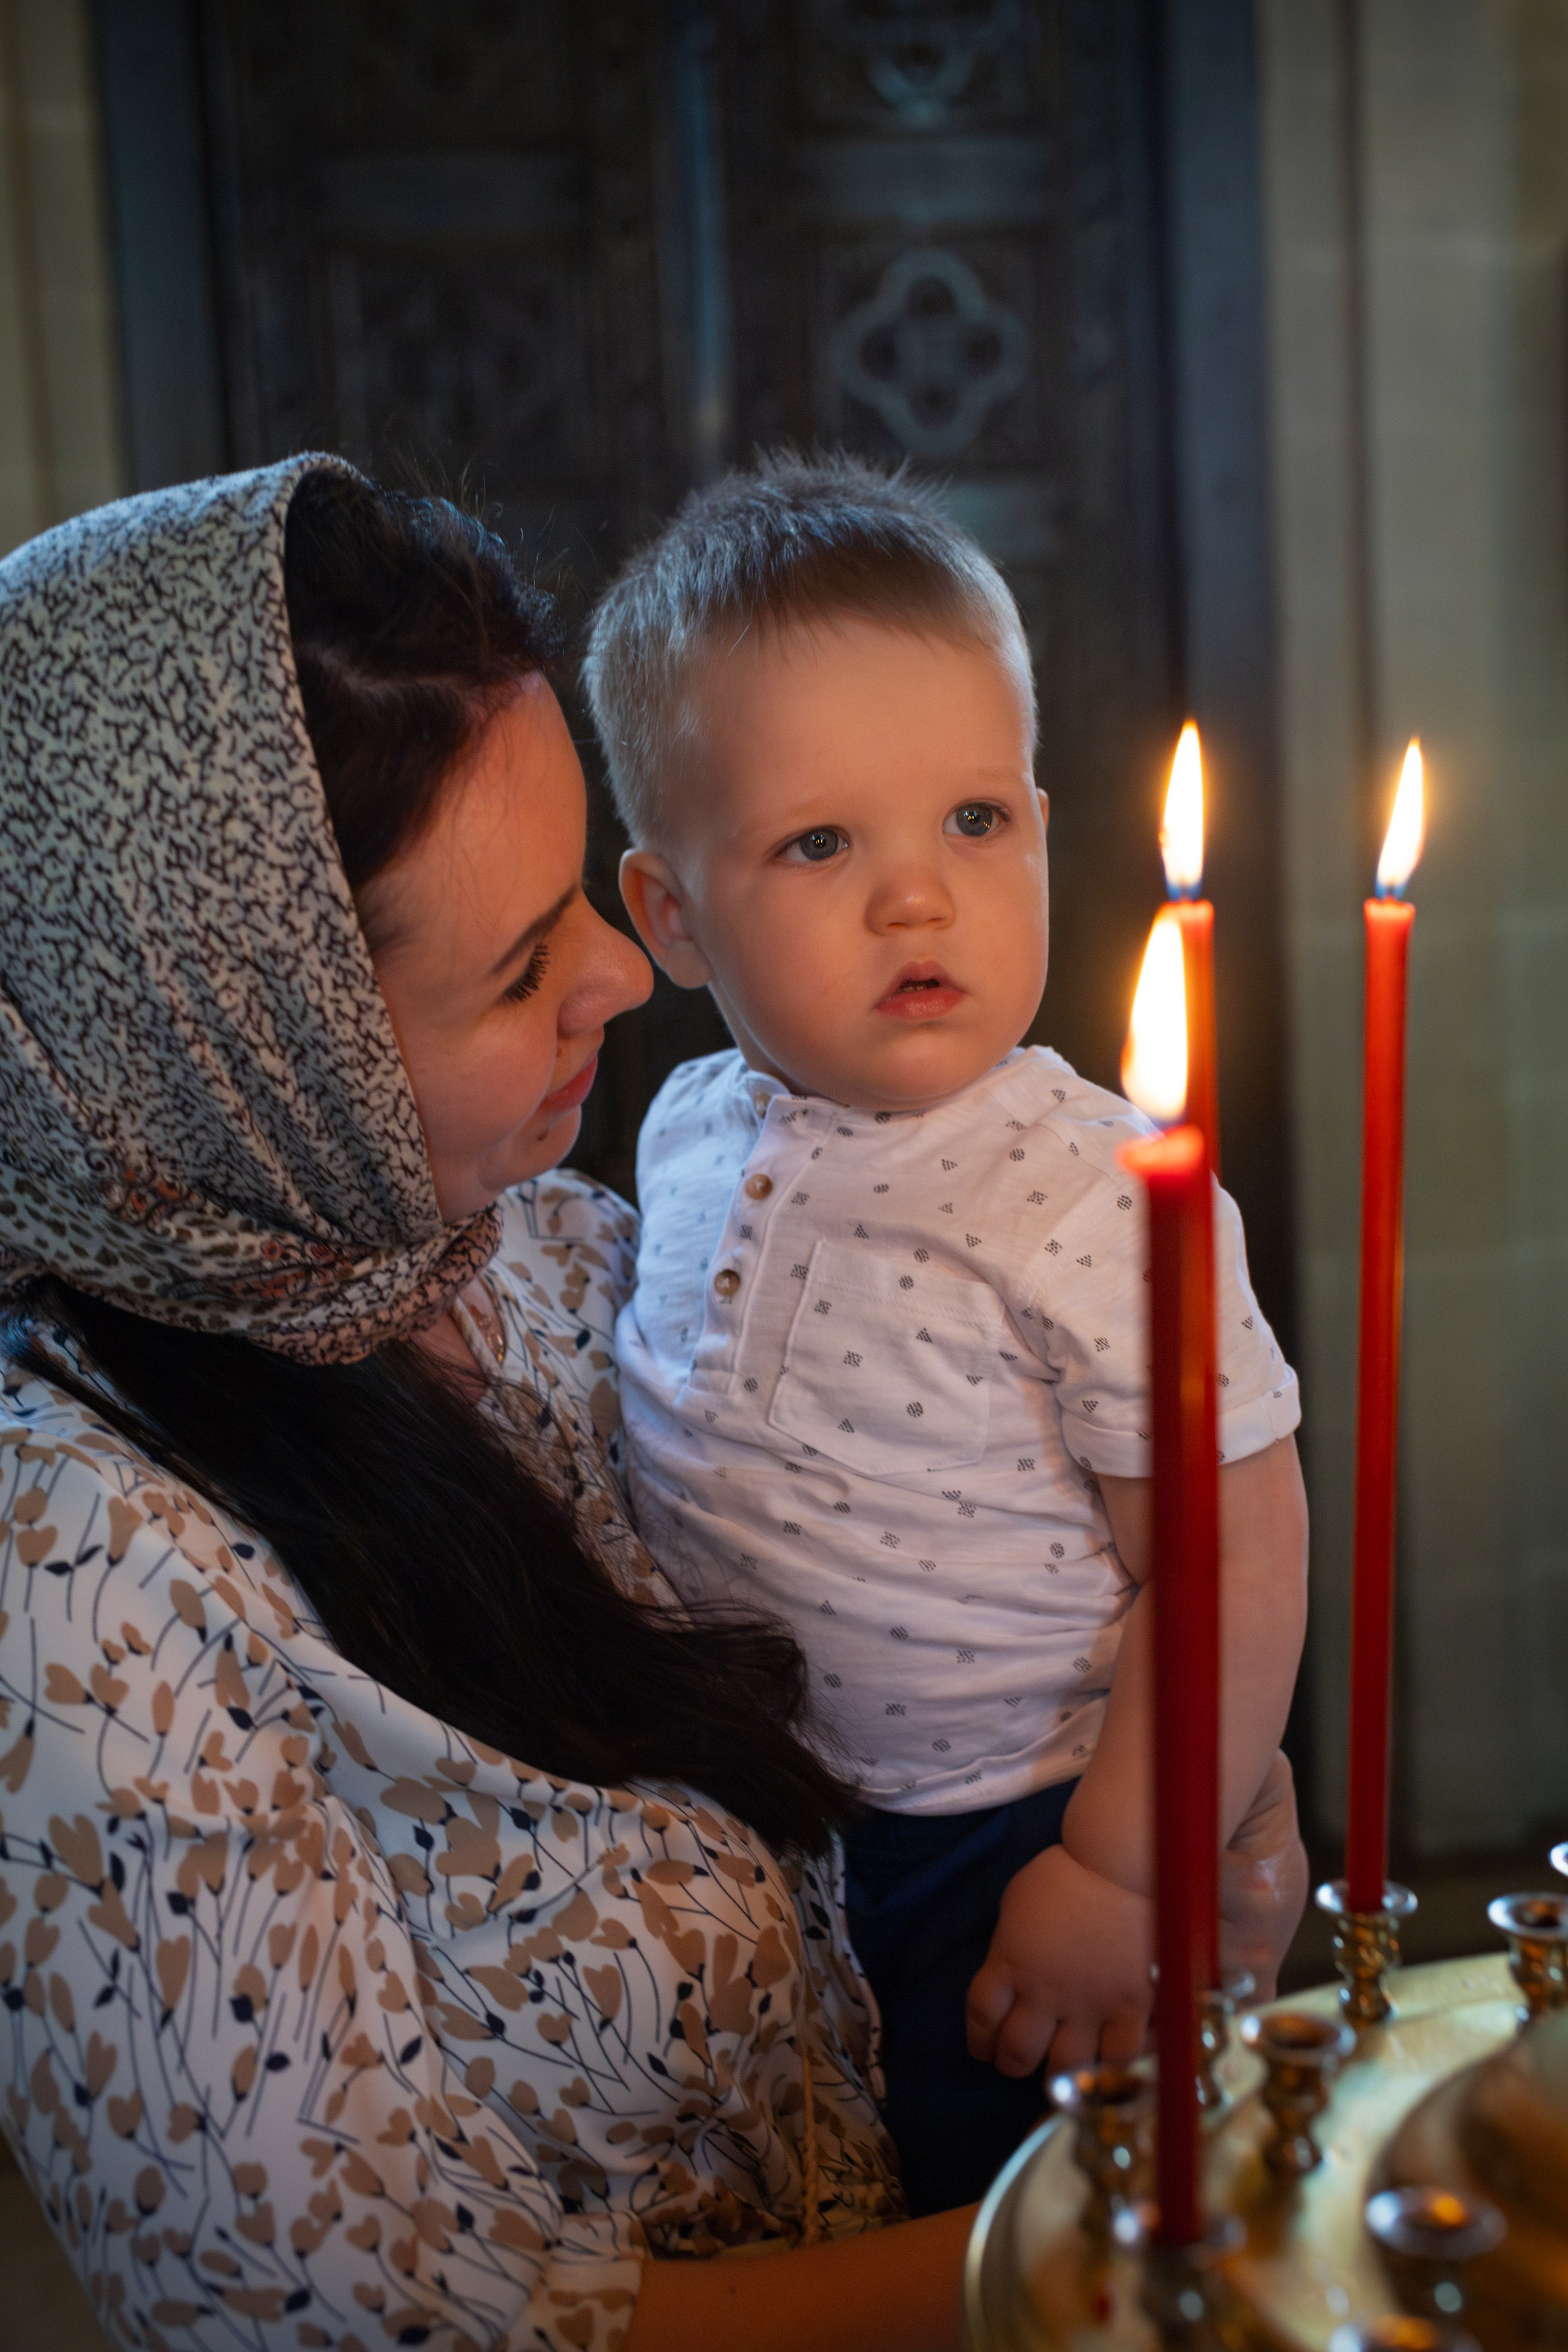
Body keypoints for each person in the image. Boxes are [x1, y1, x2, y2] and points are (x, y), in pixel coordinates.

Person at [0, 457, 1003, 2352]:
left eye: (588, 898)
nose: (628, 974)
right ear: (242, 1057)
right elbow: (378, 2325)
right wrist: (1049, 2256)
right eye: (523, 960)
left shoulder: (541, 1257)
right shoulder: (81, 1595)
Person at [586, 453, 1311, 2214]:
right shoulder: (686, 1128)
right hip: (768, 1823)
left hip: (1022, 1823)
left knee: (1040, 2232)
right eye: (822, 843)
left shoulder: (1090, 1191)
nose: (918, 898)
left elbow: (1234, 1556)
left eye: (974, 822)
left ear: (1042, 827)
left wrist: (1125, 1874)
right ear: (672, 916)